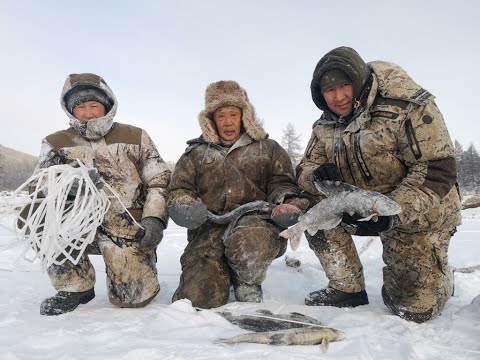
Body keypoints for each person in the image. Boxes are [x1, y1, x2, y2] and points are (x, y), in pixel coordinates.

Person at [296, 46, 461, 323]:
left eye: (344, 85)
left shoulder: (407, 105)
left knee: (412, 309)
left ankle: (440, 275)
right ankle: (346, 289)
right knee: (312, 208)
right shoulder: (324, 126)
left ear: (358, 80)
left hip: (415, 214)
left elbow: (437, 169)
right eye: (329, 90)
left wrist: (394, 214)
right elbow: (304, 168)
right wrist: (315, 175)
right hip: (358, 208)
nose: (338, 97)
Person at [34, 73, 171, 315]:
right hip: (77, 225)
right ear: (70, 110)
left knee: (131, 300)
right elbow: (41, 185)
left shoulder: (135, 135)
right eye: (80, 107)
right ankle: (75, 286)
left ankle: (133, 270)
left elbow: (159, 181)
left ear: (106, 105)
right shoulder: (55, 142)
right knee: (39, 220)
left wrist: (154, 219)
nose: (88, 113)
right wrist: (67, 190)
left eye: (94, 105)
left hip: (127, 227)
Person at [167, 80, 309, 309]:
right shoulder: (195, 154)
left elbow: (282, 183)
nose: (227, 122)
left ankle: (247, 280)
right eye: (220, 115)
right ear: (211, 120)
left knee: (247, 247)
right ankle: (220, 270)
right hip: (208, 228)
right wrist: (184, 205)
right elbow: (179, 189)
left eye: (233, 114)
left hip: (254, 223)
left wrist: (286, 202)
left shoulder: (268, 147)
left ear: (244, 115)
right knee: (198, 299)